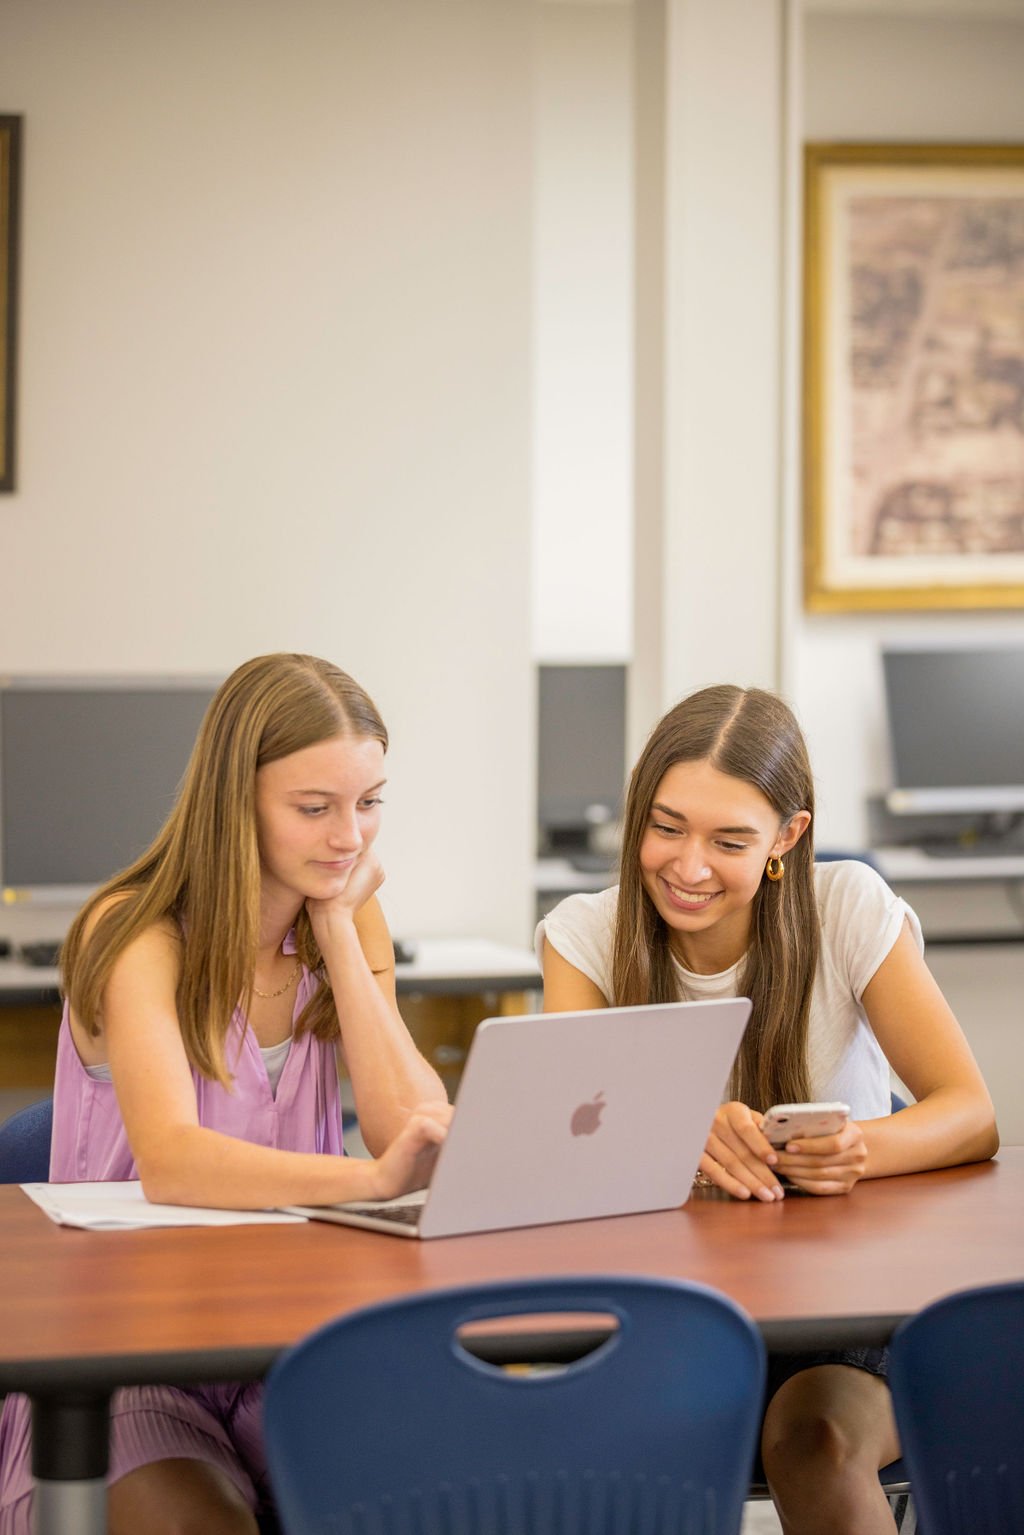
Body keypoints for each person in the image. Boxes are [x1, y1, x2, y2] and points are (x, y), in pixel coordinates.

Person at [0, 652, 451, 1535]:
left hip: (288, 1336)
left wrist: (333, 927)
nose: (350, 837)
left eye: (368, 803)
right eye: (314, 808)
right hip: (128, 1353)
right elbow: (172, 1161)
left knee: (433, 1495)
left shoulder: (349, 916)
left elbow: (412, 1124)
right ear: (233, 800)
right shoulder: (134, 932)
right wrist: (367, 1184)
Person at [538, 683, 998, 1535]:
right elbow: (559, 1145)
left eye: (730, 839)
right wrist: (674, 1135)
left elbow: (971, 1114)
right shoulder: (584, 934)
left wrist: (857, 1145)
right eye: (667, 826)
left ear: (788, 838)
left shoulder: (850, 907)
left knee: (815, 1441)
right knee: (598, 1444)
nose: (688, 864)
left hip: (845, 1301)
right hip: (665, 1301)